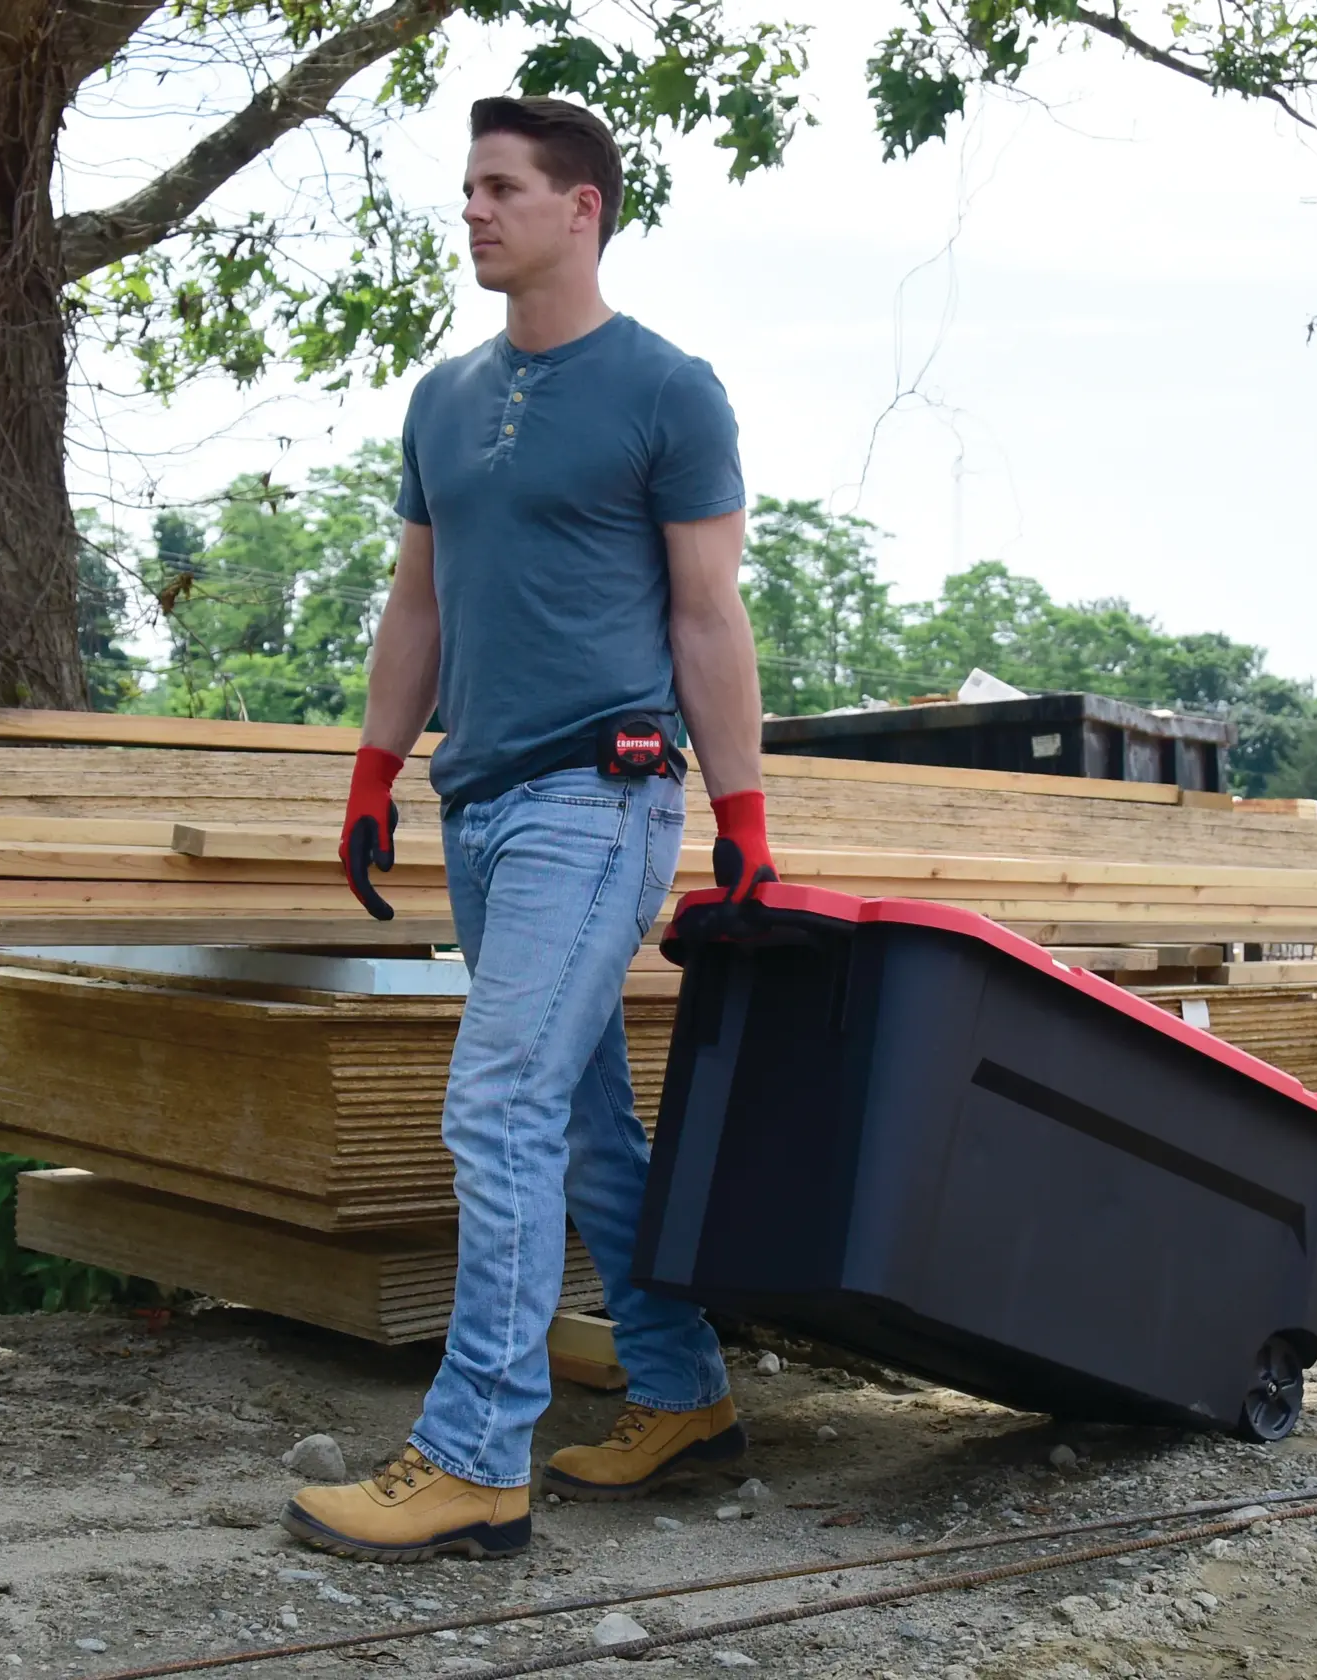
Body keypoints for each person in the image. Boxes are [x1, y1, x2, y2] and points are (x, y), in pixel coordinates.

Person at [281, 94, 777, 1563]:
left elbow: (708, 615)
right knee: (574, 1121)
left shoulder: (669, 390)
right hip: (483, 804)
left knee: (492, 1105)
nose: (475, 211)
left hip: (600, 799)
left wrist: (742, 814)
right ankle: (682, 1393)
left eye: (501, 188)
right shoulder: (442, 400)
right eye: (467, 190)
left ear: (584, 208)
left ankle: (476, 1453)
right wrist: (376, 770)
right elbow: (418, 603)